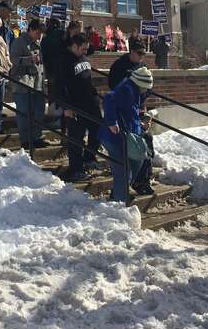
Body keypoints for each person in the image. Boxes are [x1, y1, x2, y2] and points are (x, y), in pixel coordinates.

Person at [101, 66, 155, 203]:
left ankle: (119, 194)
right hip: (115, 136)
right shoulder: (127, 89)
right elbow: (108, 99)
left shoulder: (134, 91)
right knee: (122, 170)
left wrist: (140, 125)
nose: (146, 91)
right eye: (146, 87)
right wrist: (112, 122)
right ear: (140, 83)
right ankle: (120, 201)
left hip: (128, 136)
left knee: (136, 162)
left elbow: (131, 113)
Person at [59, 34, 101, 182]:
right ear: (74, 46)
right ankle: (76, 169)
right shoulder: (64, 61)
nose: (85, 52)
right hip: (75, 105)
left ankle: (89, 157)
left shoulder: (83, 57)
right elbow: (60, 86)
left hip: (90, 102)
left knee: (98, 130)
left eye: (86, 49)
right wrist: (66, 106)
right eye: (83, 49)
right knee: (76, 138)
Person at [10, 19, 48, 150]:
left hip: (37, 83)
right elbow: (13, 60)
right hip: (23, 83)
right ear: (30, 30)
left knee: (39, 111)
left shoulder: (39, 42)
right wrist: (29, 59)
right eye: (37, 33)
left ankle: (36, 137)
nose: (39, 36)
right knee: (24, 113)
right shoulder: (19, 42)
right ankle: (25, 140)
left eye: (41, 34)